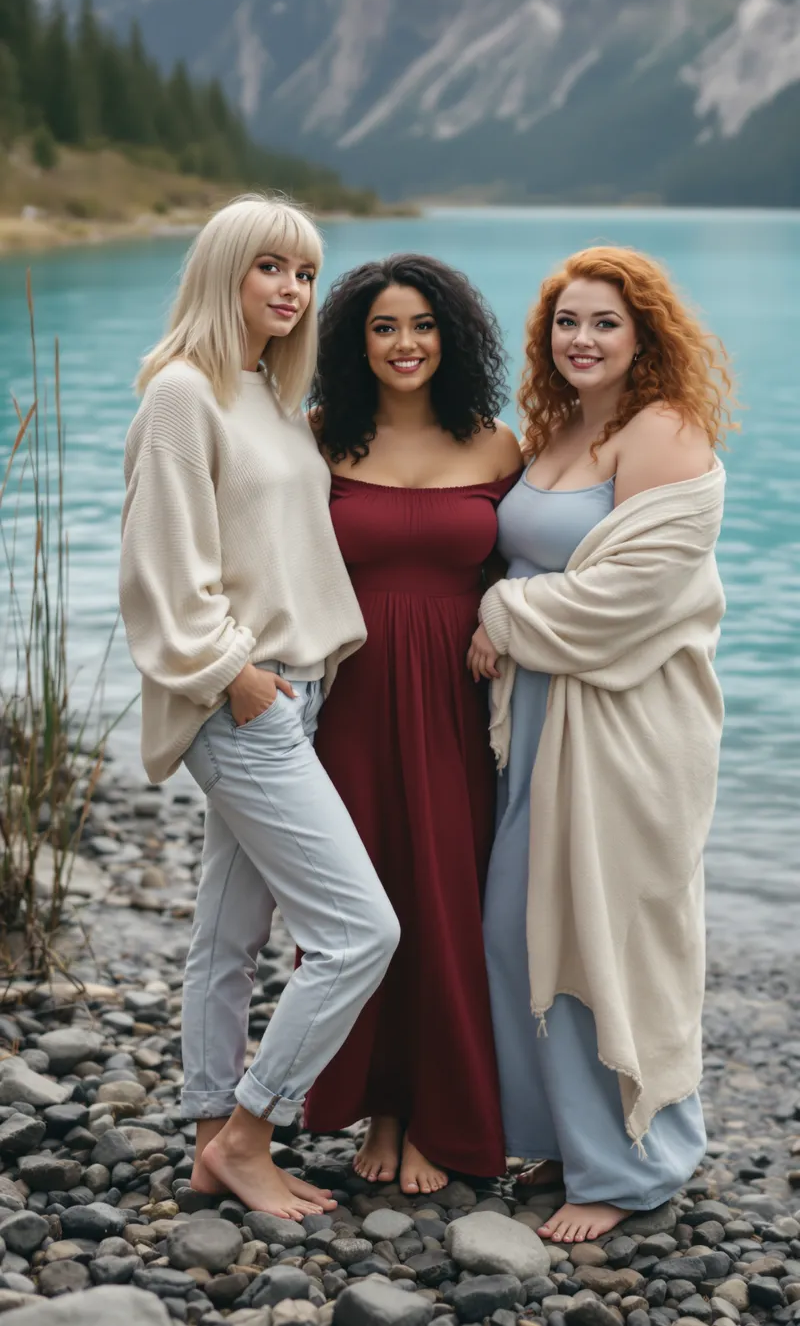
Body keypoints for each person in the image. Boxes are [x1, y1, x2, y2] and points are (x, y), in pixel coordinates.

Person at [119, 194, 400, 1221]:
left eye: (305, 271)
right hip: (243, 693)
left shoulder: (265, 394)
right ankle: (251, 1126)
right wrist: (235, 672)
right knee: (360, 931)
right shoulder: (182, 395)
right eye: (268, 267)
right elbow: (160, 568)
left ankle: (207, 1139)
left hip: (293, 685)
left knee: (228, 935)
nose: (290, 288)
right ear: (222, 270)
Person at [470, 246, 735, 1243]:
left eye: (603, 324)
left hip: (627, 728)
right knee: (515, 929)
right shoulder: (557, 430)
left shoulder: (661, 428)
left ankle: (628, 1163)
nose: (579, 340)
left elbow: (632, 596)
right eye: (565, 323)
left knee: (606, 932)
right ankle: (549, 1129)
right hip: (544, 721)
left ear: (642, 337)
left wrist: (499, 609)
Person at [302, 253, 522, 1192]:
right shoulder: (320, 437)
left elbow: (535, 565)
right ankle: (378, 1105)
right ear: (358, 340)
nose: (406, 344)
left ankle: (441, 1112)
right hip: (350, 692)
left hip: (458, 697)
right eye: (385, 326)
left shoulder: (497, 444)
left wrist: (511, 623)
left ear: (452, 336)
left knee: (448, 897)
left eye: (424, 325)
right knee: (362, 897)